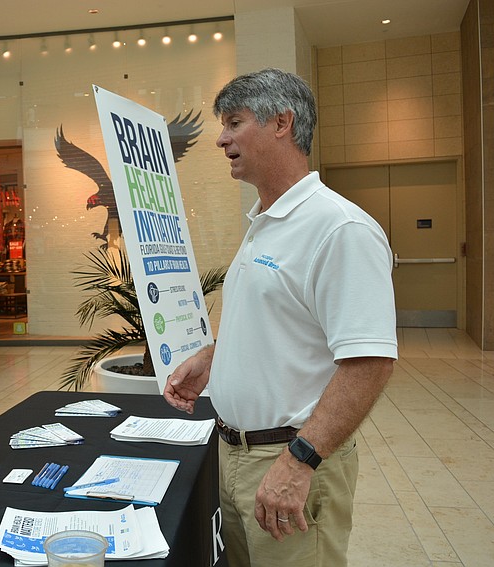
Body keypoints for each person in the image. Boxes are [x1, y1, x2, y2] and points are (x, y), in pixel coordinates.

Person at [163, 68, 397, 566]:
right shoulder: (264, 223)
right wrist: (214, 359)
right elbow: (283, 327)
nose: (221, 139)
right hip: (233, 456)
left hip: (290, 461)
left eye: (234, 122)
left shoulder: (340, 229)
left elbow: (369, 362)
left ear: (282, 123)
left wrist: (299, 461)